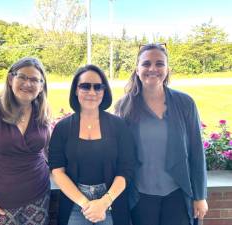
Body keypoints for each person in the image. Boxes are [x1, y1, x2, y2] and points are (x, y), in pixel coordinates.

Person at [115, 43, 208, 225]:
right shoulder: (124, 107)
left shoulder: (185, 103)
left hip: (177, 195)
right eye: (146, 64)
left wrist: (200, 196)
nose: (153, 69)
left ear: (167, 69)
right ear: (137, 69)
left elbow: (197, 153)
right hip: (140, 197)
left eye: (159, 64)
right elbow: (119, 156)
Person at [0, 57, 51, 225]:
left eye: (35, 79)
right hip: (0, 200)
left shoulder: (42, 111)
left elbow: (47, 150)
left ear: (41, 86)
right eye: (22, 77)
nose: (28, 84)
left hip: (38, 196)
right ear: (10, 78)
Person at [48, 64, 133, 225]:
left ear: (104, 90)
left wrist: (104, 202)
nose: (92, 92)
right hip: (75, 203)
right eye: (85, 86)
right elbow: (57, 171)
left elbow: (126, 169)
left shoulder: (118, 126)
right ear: (76, 90)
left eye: (98, 87)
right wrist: (87, 205)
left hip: (111, 203)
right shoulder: (63, 128)